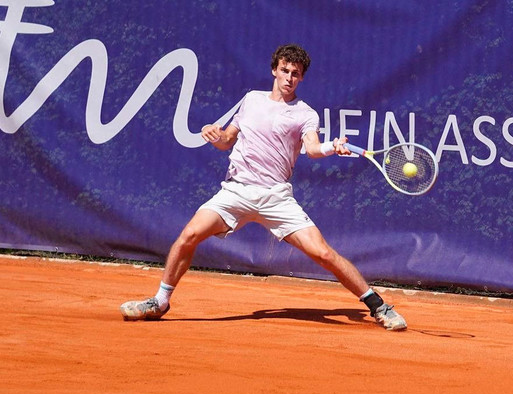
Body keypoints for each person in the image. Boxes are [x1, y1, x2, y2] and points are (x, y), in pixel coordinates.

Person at [120, 44, 407, 331]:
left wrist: (332, 146)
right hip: (236, 191)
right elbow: (227, 141)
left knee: (323, 253)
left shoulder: (305, 114)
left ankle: (379, 306)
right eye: (285, 70)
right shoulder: (251, 100)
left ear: (301, 78)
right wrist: (213, 134)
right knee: (189, 235)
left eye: (295, 73)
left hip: (275, 197)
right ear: (274, 70)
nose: (289, 78)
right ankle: (160, 302)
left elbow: (312, 148)